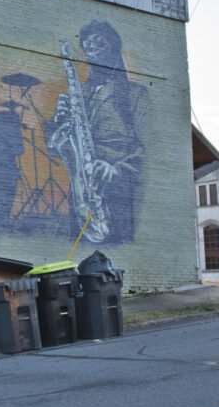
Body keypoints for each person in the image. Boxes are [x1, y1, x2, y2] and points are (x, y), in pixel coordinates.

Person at [46, 20, 147, 244]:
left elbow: (150, 152)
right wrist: (58, 121)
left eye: (99, 42)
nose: (90, 48)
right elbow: (56, 147)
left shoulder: (136, 95)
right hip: (82, 196)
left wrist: (117, 170)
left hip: (115, 196)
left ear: (114, 50)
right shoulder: (78, 94)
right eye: (86, 43)